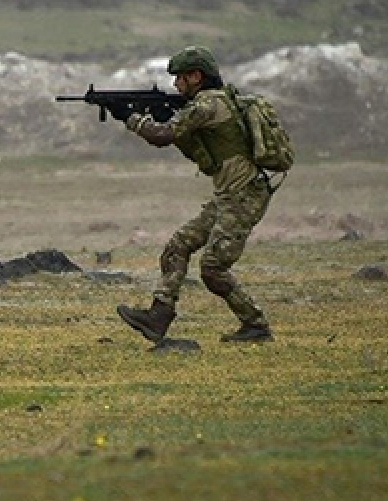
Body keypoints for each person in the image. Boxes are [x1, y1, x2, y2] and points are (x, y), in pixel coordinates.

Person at [115, 45, 275, 343]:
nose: (176, 85)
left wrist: (130, 117)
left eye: (180, 79)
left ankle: (256, 325)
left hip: (244, 196)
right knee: (177, 247)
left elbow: (162, 136)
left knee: (213, 268)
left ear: (196, 76)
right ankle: (158, 317)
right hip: (229, 195)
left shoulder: (207, 106)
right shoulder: (210, 103)